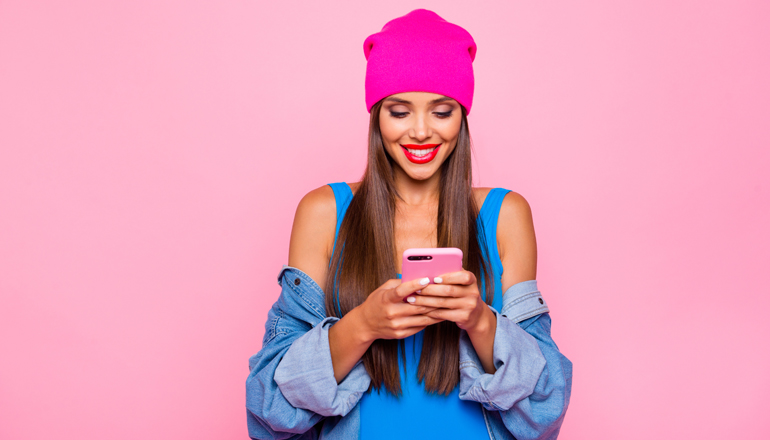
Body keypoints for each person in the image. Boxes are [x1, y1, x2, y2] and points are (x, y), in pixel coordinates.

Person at [246, 9, 572, 440]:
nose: (421, 131)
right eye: (400, 112)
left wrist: (478, 320)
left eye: (442, 111)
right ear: (377, 117)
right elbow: (269, 409)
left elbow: (546, 405)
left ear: (462, 117)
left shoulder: (504, 215)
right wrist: (363, 325)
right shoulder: (324, 212)